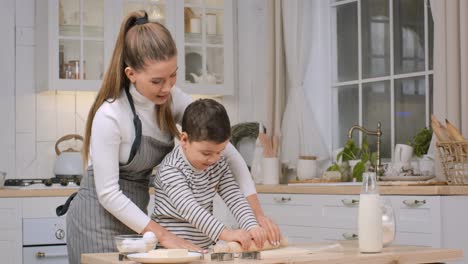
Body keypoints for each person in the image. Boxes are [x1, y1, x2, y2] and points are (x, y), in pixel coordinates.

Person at [65, 10, 280, 264]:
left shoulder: (170, 98)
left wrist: (257, 217)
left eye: (173, 76)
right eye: (157, 81)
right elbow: (109, 194)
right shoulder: (111, 115)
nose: (167, 88)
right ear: (131, 74)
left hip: (140, 224)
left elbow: (228, 152)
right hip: (96, 222)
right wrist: (164, 235)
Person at [153, 99, 265, 250]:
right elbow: (191, 210)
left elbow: (234, 196)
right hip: (170, 251)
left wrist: (251, 225)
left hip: (203, 249)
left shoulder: (217, 163)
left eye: (220, 151)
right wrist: (227, 234)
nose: (214, 159)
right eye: (206, 153)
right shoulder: (171, 170)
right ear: (184, 140)